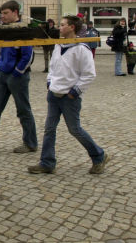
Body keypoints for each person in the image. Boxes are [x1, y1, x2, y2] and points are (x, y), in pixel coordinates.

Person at [28, 15, 110, 175]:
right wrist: (50, 82)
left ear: (72, 27)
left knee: (75, 129)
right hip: (54, 94)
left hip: (69, 97)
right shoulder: (58, 46)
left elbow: (89, 74)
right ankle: (47, 162)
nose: (60, 27)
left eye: (63, 25)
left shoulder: (82, 49)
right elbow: (53, 67)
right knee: (49, 129)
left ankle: (99, 155)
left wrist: (75, 92)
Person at [0, 0, 38, 153]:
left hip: (17, 76)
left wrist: (17, 72)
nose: (2, 16)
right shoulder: (4, 30)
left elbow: (28, 56)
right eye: (1, 13)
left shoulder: (23, 29)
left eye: (5, 13)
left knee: (23, 110)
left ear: (15, 13)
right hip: (2, 74)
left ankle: (30, 143)